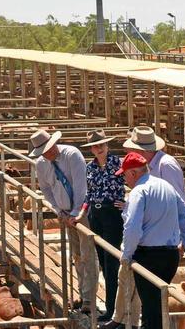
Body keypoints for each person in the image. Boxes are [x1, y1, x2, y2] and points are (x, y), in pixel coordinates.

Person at [115, 152, 185, 329]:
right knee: (158, 303)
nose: (125, 180)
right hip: (170, 255)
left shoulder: (139, 191)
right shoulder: (166, 186)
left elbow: (132, 226)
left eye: (125, 175)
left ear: (133, 173)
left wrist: (127, 255)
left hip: (148, 256)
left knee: (150, 307)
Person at [30, 129, 98, 314]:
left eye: (48, 148)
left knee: (87, 253)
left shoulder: (72, 155)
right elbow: (45, 189)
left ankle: (90, 299)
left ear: (54, 143)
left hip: (83, 212)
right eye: (43, 151)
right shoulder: (42, 164)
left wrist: (76, 214)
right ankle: (83, 294)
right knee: (76, 254)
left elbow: (81, 187)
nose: (47, 153)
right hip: (66, 213)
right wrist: (58, 210)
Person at [75, 130, 124, 322]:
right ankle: (112, 309)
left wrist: (127, 203)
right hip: (95, 215)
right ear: (91, 150)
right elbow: (89, 193)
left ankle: (113, 310)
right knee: (104, 263)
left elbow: (134, 181)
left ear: (107, 145)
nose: (99, 148)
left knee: (111, 263)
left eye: (101, 145)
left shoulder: (118, 163)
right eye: (95, 146)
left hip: (112, 213)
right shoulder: (90, 168)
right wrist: (82, 212)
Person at [123, 126, 185, 199]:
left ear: (140, 150)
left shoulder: (166, 165)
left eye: (131, 149)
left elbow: (176, 198)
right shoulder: (150, 164)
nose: (128, 152)